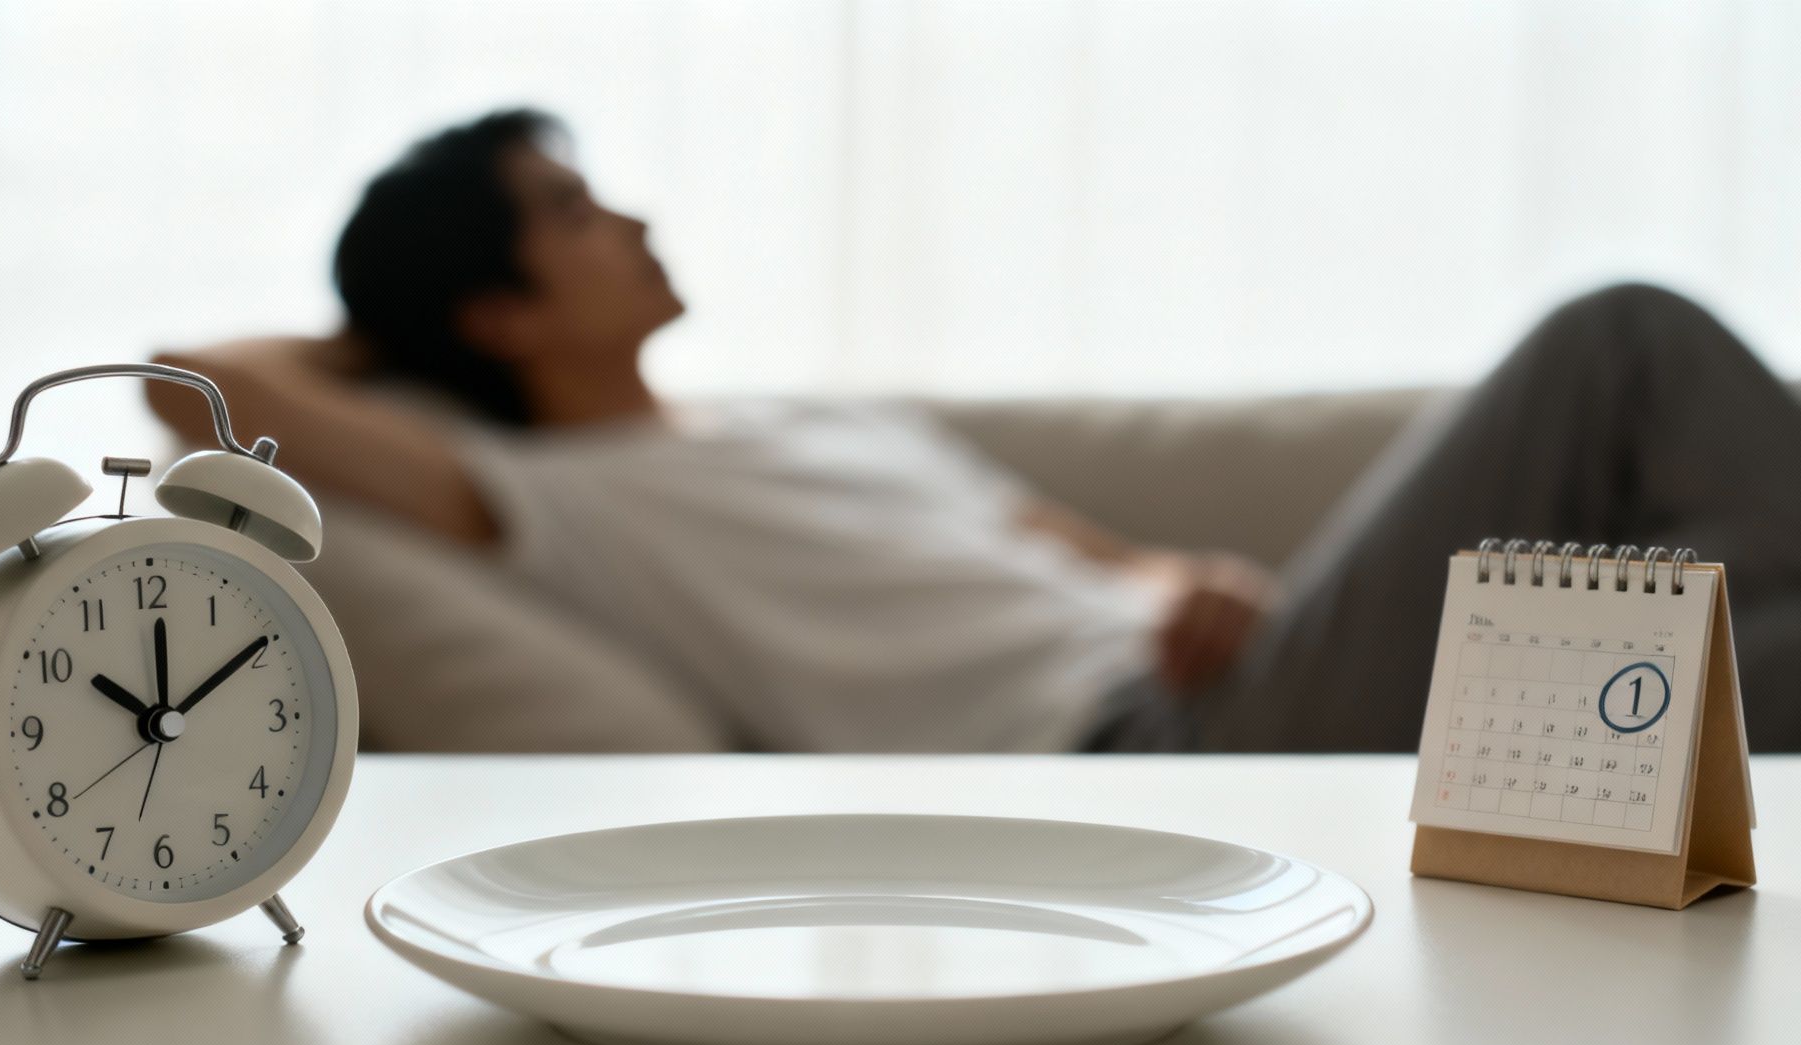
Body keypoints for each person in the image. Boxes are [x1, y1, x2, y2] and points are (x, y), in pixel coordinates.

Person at [152, 108, 1801, 752]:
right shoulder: (537, 492)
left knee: (1755, 638)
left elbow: (1085, 555)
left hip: (1236, 664)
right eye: (573, 213)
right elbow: (184, 381)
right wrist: (397, 324)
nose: (631, 219)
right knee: (1620, 340)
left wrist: (1178, 576)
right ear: (498, 309)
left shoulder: (810, 423)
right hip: (1157, 759)